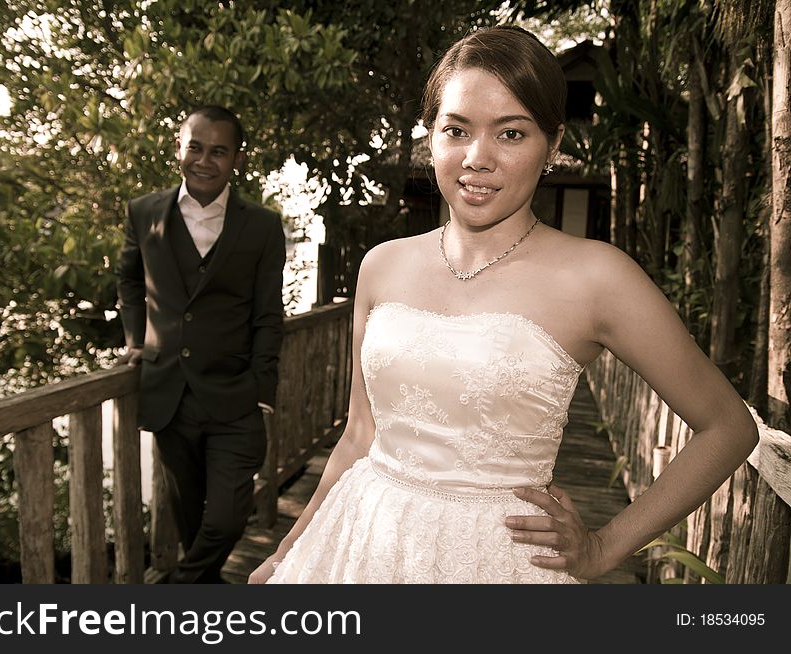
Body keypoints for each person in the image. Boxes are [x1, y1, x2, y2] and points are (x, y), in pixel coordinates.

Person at [249, 26, 758, 584]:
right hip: (363, 540)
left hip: (494, 562)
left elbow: (728, 427)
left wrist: (604, 548)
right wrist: (285, 555)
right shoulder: (382, 264)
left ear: (553, 145)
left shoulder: (597, 277)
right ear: (433, 136)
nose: (477, 158)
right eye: (456, 130)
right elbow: (360, 434)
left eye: (511, 134)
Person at [116, 105, 286, 583]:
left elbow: (268, 315)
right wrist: (136, 337)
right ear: (178, 148)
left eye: (218, 151)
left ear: (236, 159)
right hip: (168, 392)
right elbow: (128, 280)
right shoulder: (145, 211)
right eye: (195, 147)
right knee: (189, 514)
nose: (204, 160)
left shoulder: (262, 226)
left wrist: (263, 392)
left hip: (235, 394)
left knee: (228, 516)